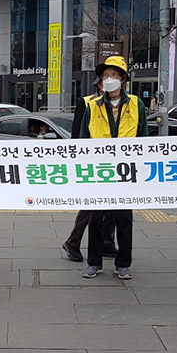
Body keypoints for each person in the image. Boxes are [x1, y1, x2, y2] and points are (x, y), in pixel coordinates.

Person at [79, 56, 147, 279]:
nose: (109, 79)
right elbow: (83, 138)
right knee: (95, 219)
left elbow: (144, 138)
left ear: (123, 79)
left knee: (124, 219)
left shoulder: (136, 104)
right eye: (106, 75)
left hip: (126, 171)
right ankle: (94, 262)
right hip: (99, 171)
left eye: (114, 75)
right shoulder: (92, 106)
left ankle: (123, 264)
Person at [63, 75, 118, 262]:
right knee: (91, 205)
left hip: (115, 162)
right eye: (105, 80)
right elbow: (77, 134)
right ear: (99, 84)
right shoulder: (87, 102)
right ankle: (73, 242)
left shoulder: (121, 104)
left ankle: (107, 242)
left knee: (114, 204)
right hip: (92, 162)